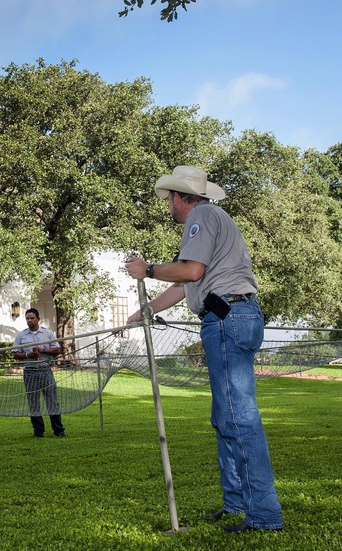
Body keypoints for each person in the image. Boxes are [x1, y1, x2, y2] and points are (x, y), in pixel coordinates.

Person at [125, 165, 284, 533]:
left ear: (182, 197)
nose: (168, 206)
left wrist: (147, 269)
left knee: (239, 417)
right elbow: (186, 284)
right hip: (229, 316)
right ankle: (236, 504)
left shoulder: (201, 216)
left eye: (169, 199)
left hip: (227, 320)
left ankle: (264, 514)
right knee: (225, 416)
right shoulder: (212, 218)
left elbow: (191, 271)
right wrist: (146, 309)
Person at [11, 308, 66, 438]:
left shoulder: (47, 333)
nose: (29, 321)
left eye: (32, 318)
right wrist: (27, 354)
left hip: (45, 370)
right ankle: (38, 431)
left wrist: (43, 351)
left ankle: (59, 431)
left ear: (38, 319)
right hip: (30, 372)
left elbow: (57, 349)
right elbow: (15, 354)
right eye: (27, 318)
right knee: (33, 402)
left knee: (52, 401)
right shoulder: (21, 335)